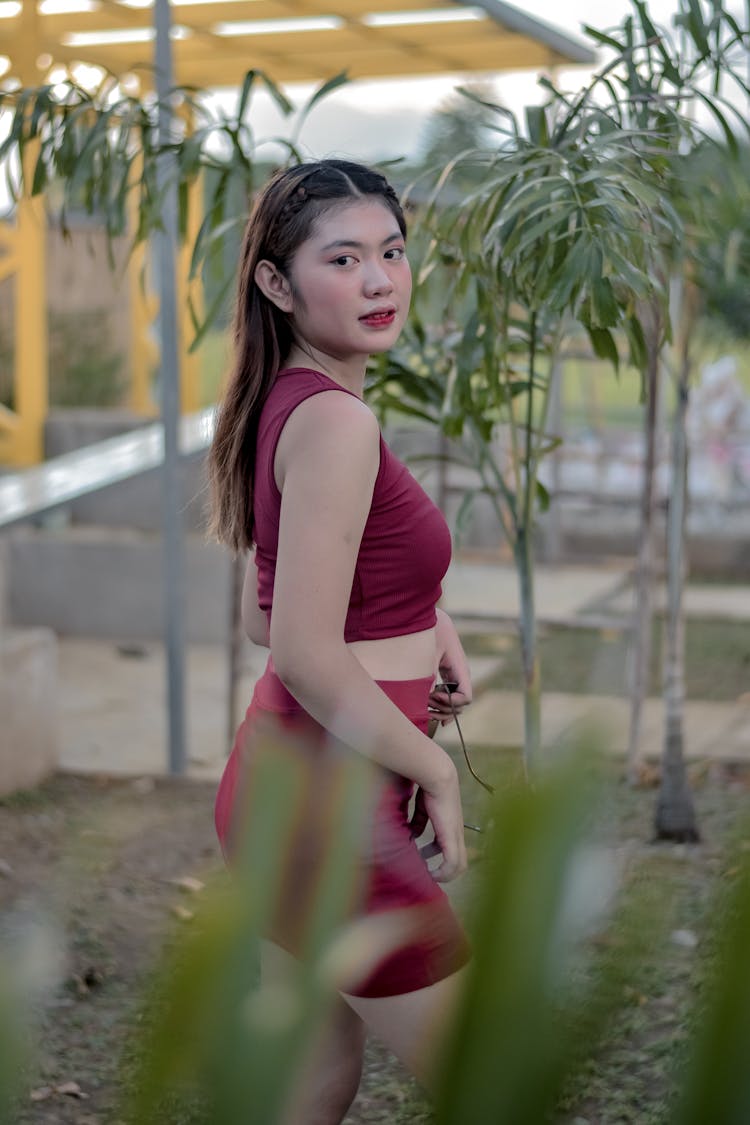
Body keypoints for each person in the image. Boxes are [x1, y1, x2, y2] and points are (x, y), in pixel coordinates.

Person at [208, 159, 473, 1124]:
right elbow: (304, 654)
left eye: (393, 252)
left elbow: (264, 612)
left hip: (288, 791)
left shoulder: (287, 398)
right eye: (346, 257)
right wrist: (433, 772)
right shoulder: (334, 423)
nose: (380, 280)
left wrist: (418, 612)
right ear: (278, 285)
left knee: (316, 1079)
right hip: (330, 809)